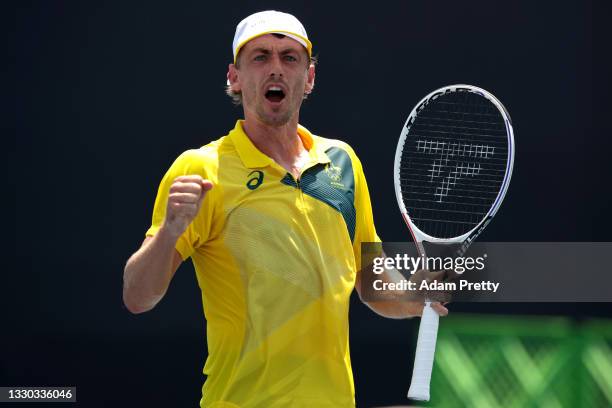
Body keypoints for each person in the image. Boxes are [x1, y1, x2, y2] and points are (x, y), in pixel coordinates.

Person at [123, 10, 447, 407]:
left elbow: (370, 279)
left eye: (289, 57)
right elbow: (138, 296)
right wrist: (171, 231)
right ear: (235, 78)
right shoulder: (202, 169)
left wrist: (415, 297)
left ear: (308, 78)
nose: (275, 68)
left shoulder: (342, 162)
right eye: (260, 57)